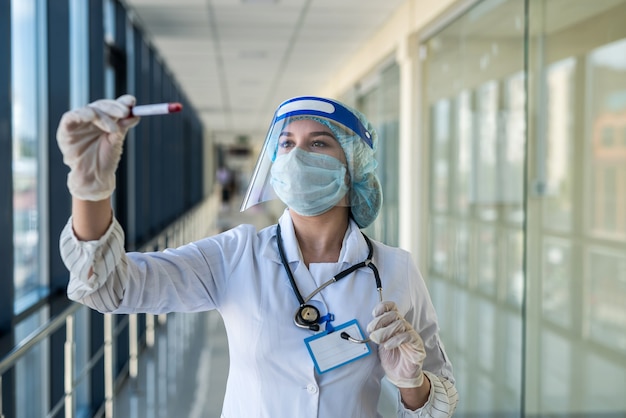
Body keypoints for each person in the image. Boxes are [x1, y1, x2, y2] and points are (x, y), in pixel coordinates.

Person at [56, 94, 459, 417]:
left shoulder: (395, 269)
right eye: (287, 143)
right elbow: (111, 289)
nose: (297, 156)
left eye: (318, 143)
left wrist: (412, 385)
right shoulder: (236, 254)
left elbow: (440, 408)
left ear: (353, 166)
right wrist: (90, 190)